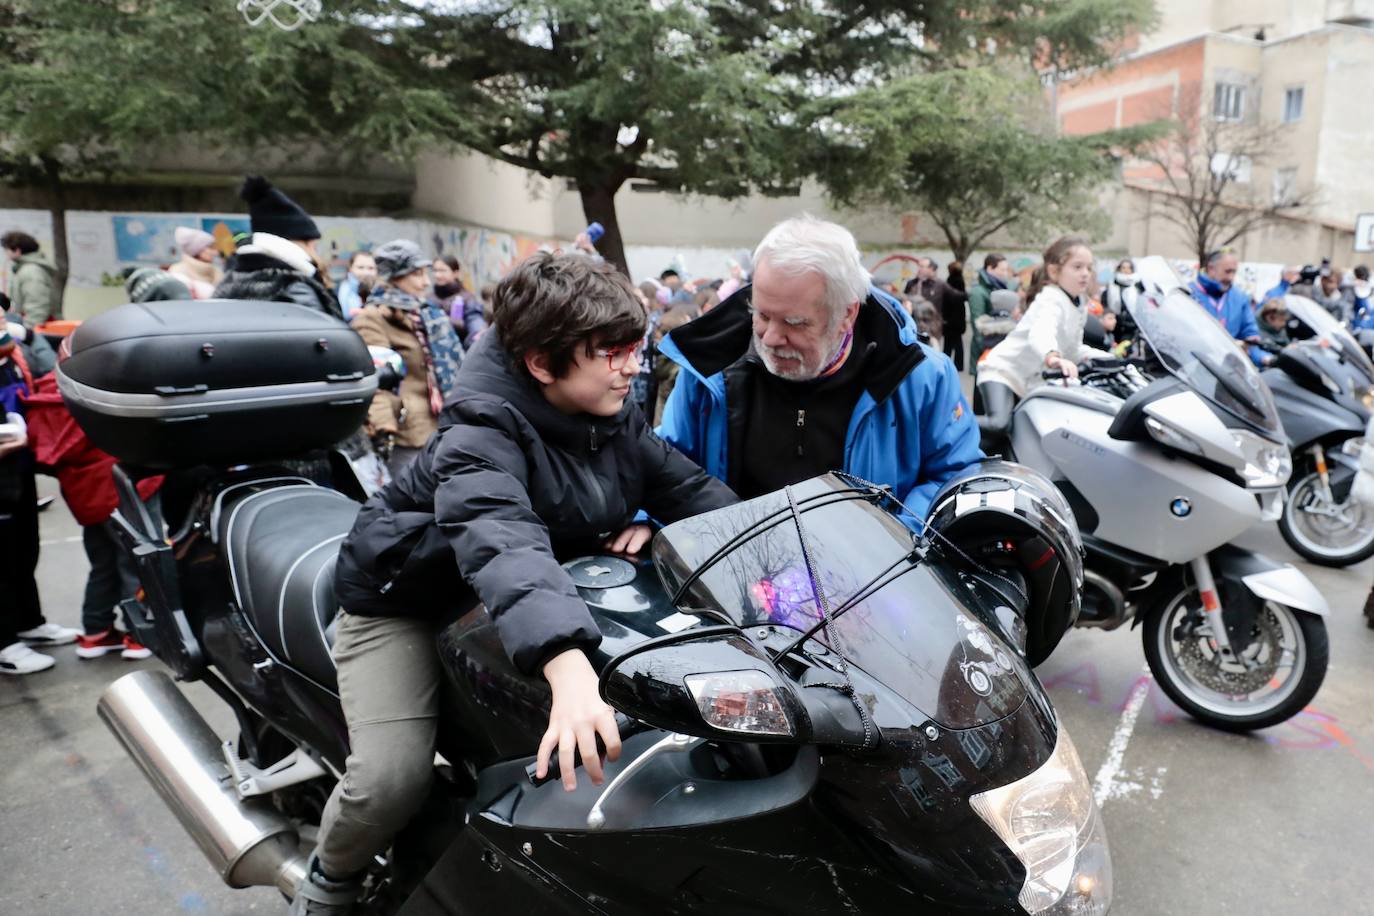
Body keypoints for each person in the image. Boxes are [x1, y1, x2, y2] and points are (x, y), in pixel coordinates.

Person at [297, 253, 738, 915]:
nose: (631, 366)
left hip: (503, 605)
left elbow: (697, 493)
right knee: (392, 776)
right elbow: (501, 536)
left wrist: (792, 574)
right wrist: (567, 668)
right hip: (409, 600)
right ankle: (327, 883)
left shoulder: (612, 415)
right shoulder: (480, 432)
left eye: (635, 349)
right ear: (541, 363)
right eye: (612, 352)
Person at [657, 214, 983, 525]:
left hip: (873, 576)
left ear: (847, 315)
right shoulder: (708, 367)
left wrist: (895, 538)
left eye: (794, 323)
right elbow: (665, 466)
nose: (770, 338)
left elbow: (953, 477)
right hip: (729, 570)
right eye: (762, 315)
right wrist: (648, 518)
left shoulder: (921, 377)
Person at [975, 237, 1116, 451]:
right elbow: (1041, 332)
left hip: (1028, 381)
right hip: (1002, 371)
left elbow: (1074, 348)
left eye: (1089, 267)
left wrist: (1111, 359)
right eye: (1077, 267)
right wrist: (1052, 356)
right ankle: (943, 423)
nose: (1085, 273)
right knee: (999, 424)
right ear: (1053, 271)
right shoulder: (1050, 299)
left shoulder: (1079, 303)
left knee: (1011, 441)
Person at [0, 327, 80, 675]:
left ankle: (28, 622)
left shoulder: (12, 354)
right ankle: (4, 644)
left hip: (16, 470)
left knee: (23, 550)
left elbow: (53, 360)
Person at [349, 240, 463, 474]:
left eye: (425, 274)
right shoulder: (372, 320)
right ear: (394, 278)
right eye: (417, 274)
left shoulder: (427, 315)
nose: (425, 282)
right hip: (409, 435)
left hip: (444, 425)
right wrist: (384, 430)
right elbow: (376, 383)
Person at [213, 176, 342, 319]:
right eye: (313, 245)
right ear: (304, 243)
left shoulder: (230, 281)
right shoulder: (293, 288)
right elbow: (322, 336)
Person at [1187, 251, 1267, 368]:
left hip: (1229, 370)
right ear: (1211, 268)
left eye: (1234, 272)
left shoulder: (1240, 298)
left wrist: (1263, 357)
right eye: (1227, 271)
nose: (1231, 277)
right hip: (1194, 365)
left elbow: (1250, 334)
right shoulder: (1189, 294)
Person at [909, 256, 967, 370]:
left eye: (922, 266)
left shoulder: (940, 284)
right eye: (919, 266)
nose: (919, 269)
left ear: (932, 269)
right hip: (913, 326)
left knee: (931, 358)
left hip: (933, 328)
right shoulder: (912, 284)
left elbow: (957, 296)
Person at [1, 231, 62, 329]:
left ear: (17, 250)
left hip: (39, 330)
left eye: (6, 249)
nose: (6, 253)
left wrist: (26, 332)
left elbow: (37, 307)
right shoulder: (26, 269)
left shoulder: (30, 272)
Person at [967, 253, 1014, 374]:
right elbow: (978, 324)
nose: (1005, 273)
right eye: (1002, 269)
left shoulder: (999, 287)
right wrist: (985, 348)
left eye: (1006, 269)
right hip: (987, 348)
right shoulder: (978, 292)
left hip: (998, 347)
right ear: (990, 268)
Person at [430, 254, 487, 346]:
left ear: (455, 273)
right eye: (435, 270)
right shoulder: (428, 299)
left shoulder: (467, 299)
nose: (437, 275)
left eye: (442, 270)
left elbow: (475, 325)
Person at [166, 227, 223, 299]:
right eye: (210, 247)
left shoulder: (216, 272)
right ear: (197, 250)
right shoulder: (178, 272)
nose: (215, 252)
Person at [336, 251, 377, 320]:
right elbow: (346, 315)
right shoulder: (346, 291)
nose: (366, 272)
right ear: (350, 268)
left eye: (371, 268)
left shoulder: (382, 289)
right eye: (360, 267)